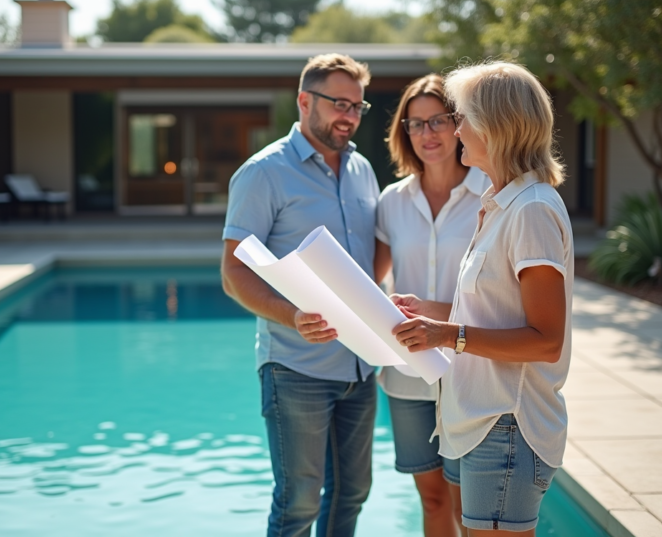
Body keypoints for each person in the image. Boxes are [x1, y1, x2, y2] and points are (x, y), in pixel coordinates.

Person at [391, 61, 573, 536]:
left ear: (497, 126)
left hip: (508, 425)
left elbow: (545, 341)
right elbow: (490, 308)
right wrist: (425, 311)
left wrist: (445, 335)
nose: (458, 128)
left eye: (464, 117)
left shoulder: (531, 210)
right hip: (486, 425)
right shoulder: (501, 205)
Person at [221, 53, 380, 537]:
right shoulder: (263, 172)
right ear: (304, 100)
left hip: (361, 365)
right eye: (339, 103)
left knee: (351, 494)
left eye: (358, 106)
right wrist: (293, 316)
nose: (349, 116)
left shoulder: (363, 170)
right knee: (297, 506)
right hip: (297, 369)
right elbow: (233, 273)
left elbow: (372, 257)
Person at [374, 74, 489, 537]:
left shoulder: (491, 194)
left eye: (438, 120)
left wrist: (434, 309)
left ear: (459, 123)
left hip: (469, 371)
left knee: (468, 505)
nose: (428, 134)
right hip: (408, 374)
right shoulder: (391, 202)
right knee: (433, 496)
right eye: (415, 123)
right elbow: (368, 281)